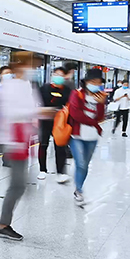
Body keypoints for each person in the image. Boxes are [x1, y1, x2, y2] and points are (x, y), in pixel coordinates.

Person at [0, 52, 51, 241]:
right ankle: (3, 225)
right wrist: (39, 111)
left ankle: (4, 224)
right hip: (14, 139)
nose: (33, 70)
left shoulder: (27, 85)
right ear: (20, 66)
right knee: (17, 185)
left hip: (22, 140)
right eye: (32, 66)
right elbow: (12, 113)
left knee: (18, 185)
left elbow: (30, 109)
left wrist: (38, 112)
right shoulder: (9, 87)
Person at [68, 68, 106, 207]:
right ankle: (79, 191)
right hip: (76, 135)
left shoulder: (100, 97)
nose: (95, 84)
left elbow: (100, 117)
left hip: (92, 137)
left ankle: (78, 188)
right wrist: (94, 123)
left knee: (85, 165)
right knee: (81, 163)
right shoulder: (76, 94)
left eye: (98, 82)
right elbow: (76, 115)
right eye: (93, 81)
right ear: (86, 82)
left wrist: (101, 104)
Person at [38, 67, 71, 183]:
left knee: (60, 146)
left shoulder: (67, 91)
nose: (58, 77)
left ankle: (61, 172)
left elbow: (69, 105)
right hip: (45, 121)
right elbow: (38, 103)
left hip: (60, 122)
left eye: (61, 75)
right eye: (56, 74)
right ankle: (42, 170)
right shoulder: (44, 89)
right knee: (43, 144)